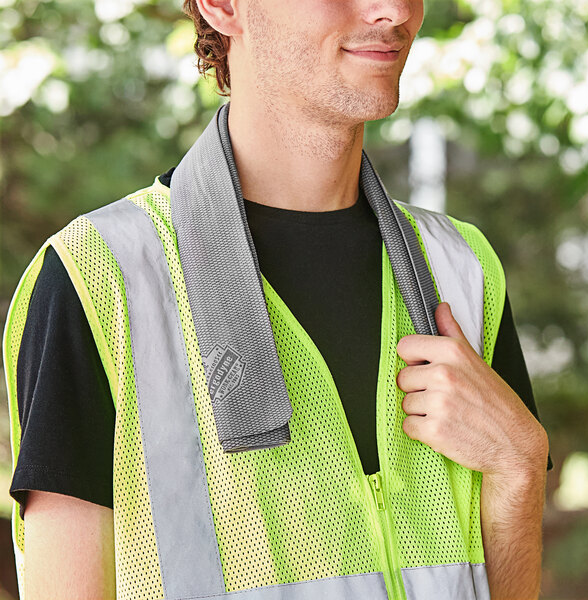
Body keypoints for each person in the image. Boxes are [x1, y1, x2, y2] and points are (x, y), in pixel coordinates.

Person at [4, 0, 553, 599]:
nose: (393, 9)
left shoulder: (462, 268)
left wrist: (519, 468)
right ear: (224, 6)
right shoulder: (100, 277)